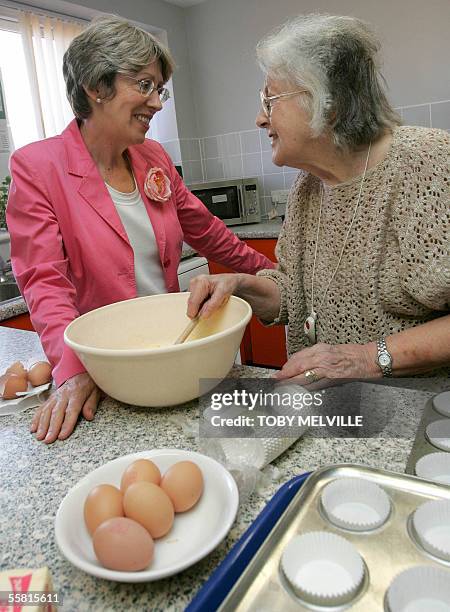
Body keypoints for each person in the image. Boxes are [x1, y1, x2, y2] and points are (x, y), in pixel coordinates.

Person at [6, 15, 274, 444]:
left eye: (159, 89)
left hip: (170, 350)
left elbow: (208, 231)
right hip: (109, 368)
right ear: (96, 87)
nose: (157, 102)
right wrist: (74, 370)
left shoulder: (153, 158)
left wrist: (273, 275)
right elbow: (45, 283)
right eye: (145, 85)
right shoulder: (38, 167)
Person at [188, 14, 450, 386]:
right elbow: (293, 295)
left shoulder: (429, 162)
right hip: (338, 413)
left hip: (419, 416)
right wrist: (241, 285)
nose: (260, 118)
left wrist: (362, 359)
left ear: (329, 104)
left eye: (270, 99)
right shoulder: (308, 184)